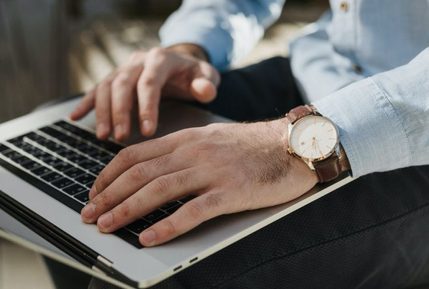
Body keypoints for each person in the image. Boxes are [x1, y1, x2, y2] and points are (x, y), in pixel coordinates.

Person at [47, 0, 429, 288]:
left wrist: (287, 148)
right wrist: (189, 47)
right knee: (63, 150)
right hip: (321, 72)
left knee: (159, 272)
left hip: (412, 134)